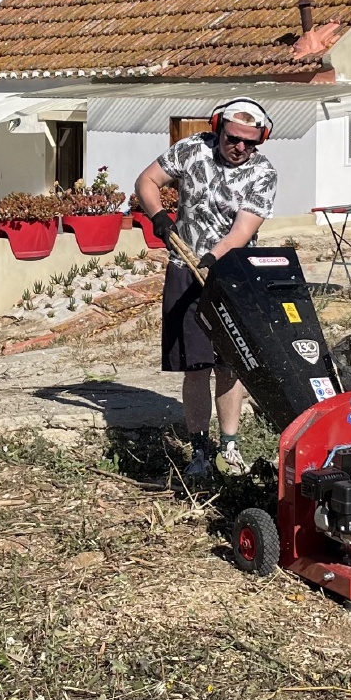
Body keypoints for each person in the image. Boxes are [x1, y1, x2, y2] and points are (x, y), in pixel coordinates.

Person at [134, 98, 278, 476]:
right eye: (234, 139)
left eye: (251, 142)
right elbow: (146, 181)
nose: (241, 148)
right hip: (185, 269)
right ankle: (199, 449)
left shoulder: (263, 173)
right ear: (219, 129)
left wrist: (212, 259)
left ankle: (229, 447)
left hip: (232, 273)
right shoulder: (191, 149)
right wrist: (159, 217)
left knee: (230, 365)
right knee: (195, 367)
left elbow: (241, 232)